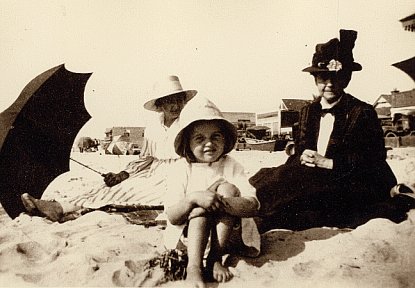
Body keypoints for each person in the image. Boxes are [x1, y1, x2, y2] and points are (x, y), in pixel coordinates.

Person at [250, 29, 414, 233]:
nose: (328, 84)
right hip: (313, 174)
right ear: (315, 79)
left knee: (309, 202)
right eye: (322, 78)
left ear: (346, 80)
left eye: (336, 78)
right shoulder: (307, 111)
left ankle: (262, 221)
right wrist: (304, 155)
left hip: (353, 179)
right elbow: (302, 145)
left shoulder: (361, 112)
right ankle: (251, 212)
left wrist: (328, 163)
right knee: (274, 179)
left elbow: (374, 159)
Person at [21, 75, 197, 222]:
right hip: (151, 170)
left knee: (130, 191)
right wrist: (122, 174)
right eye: (169, 101)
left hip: (177, 174)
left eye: (178, 100)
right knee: (106, 186)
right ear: (160, 105)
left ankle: (61, 209)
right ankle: (57, 206)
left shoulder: (190, 124)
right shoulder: (154, 126)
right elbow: (145, 158)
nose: (175, 106)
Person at [163, 97, 260, 288]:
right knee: (199, 206)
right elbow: (173, 216)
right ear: (187, 143)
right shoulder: (182, 169)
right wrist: (193, 199)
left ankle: (215, 258)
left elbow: (253, 204)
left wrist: (221, 202)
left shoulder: (232, 165)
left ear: (225, 139)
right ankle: (195, 267)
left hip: (229, 236)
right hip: (190, 238)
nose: (209, 144)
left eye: (215, 136)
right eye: (200, 138)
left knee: (228, 188)